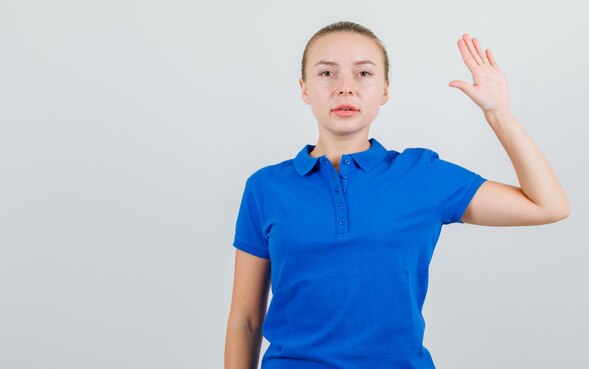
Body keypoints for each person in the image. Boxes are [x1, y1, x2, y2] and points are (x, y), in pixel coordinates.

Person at [224, 21, 570, 369]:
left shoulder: (422, 174)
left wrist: (498, 113)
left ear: (385, 90)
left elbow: (547, 205)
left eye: (363, 74)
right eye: (327, 72)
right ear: (304, 89)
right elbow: (246, 321)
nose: (345, 88)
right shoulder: (266, 187)